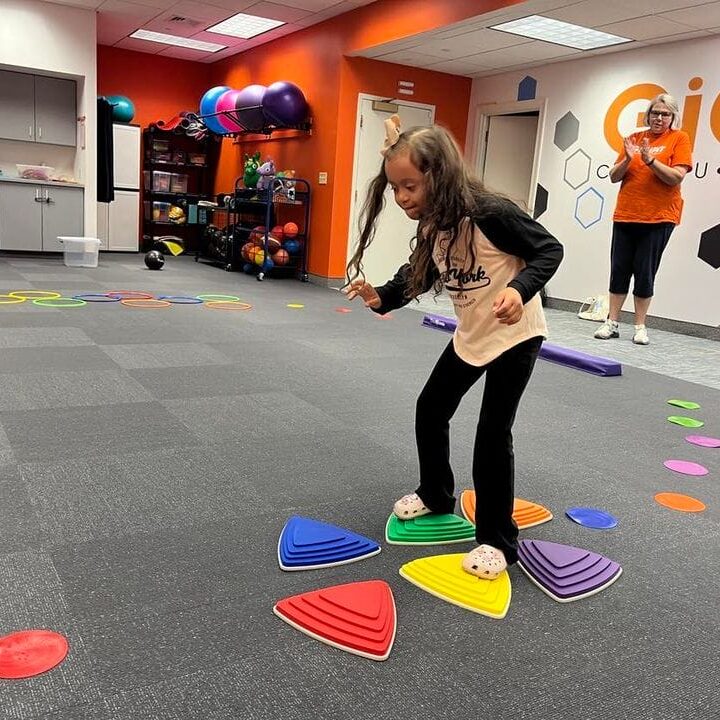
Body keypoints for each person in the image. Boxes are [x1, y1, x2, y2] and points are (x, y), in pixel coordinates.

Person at [345, 118, 563, 580]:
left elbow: (549, 250)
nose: (402, 198)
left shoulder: (490, 212)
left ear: (440, 175)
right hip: (472, 334)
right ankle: (437, 494)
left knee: (491, 433)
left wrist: (520, 289)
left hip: (515, 333)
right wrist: (380, 295)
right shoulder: (433, 224)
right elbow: (420, 273)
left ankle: (498, 542)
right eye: (395, 188)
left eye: (411, 186)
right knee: (431, 408)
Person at [595, 93, 692, 345]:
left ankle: (640, 326)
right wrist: (629, 158)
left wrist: (650, 160)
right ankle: (612, 322)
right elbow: (614, 176)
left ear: (673, 117)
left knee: (645, 272)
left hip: (658, 218)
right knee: (619, 270)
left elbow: (675, 177)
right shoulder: (635, 139)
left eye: (665, 114)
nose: (659, 118)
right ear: (648, 115)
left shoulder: (679, 138)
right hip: (626, 215)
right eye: (655, 113)